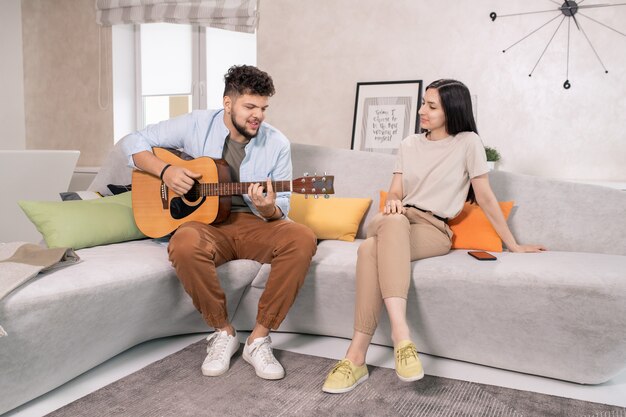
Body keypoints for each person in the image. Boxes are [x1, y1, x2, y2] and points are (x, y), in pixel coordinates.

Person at [322, 79, 546, 393]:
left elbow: (485, 197)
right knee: (394, 222)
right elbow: (397, 189)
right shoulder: (409, 144)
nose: (421, 111)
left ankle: (355, 358)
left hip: (434, 230)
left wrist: (514, 245)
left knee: (368, 250)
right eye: (423, 103)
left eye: (430, 106)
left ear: (451, 110)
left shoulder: (468, 143)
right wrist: (393, 200)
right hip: (393, 219)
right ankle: (402, 338)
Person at [123, 65, 317, 380]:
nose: (259, 115)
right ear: (228, 104)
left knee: (302, 237)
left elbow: (281, 205)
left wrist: (267, 208)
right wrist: (166, 171)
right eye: (250, 107)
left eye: (264, 108)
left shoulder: (277, 143)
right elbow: (132, 142)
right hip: (207, 225)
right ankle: (223, 331)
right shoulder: (196, 123)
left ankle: (259, 338)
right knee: (183, 242)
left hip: (254, 222)